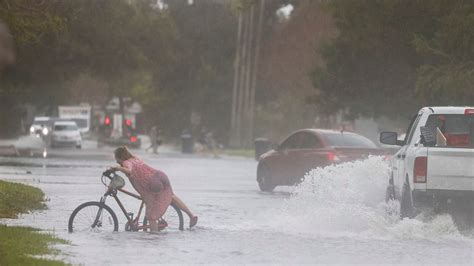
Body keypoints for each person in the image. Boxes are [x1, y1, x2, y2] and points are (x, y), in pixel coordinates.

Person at [110, 146, 198, 231]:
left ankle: (154, 238)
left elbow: (129, 170)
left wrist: (118, 168)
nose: (116, 161)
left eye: (116, 159)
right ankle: (191, 215)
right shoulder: (135, 158)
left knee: (151, 216)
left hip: (153, 184)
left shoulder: (126, 163)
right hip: (160, 176)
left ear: (120, 157)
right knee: (171, 196)